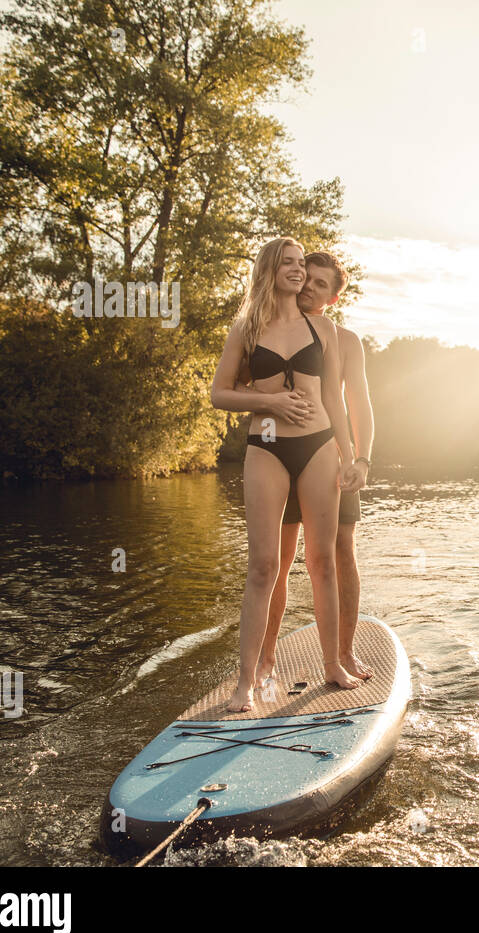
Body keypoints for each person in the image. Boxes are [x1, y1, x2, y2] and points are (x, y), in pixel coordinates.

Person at [210, 237, 359, 712]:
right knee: (263, 567)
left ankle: (333, 663)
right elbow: (220, 393)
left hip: (318, 447)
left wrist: (351, 453)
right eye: (290, 263)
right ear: (271, 269)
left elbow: (335, 399)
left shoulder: (325, 329)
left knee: (322, 561)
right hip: (267, 446)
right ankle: (245, 682)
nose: (298, 271)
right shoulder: (247, 327)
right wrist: (269, 400)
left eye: (302, 264)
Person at [241, 251, 375, 685]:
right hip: (276, 449)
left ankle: (342, 653)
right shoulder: (266, 326)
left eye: (320, 284)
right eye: (307, 279)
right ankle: (265, 660)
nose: (308, 287)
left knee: (338, 553)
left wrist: (359, 455)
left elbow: (356, 404)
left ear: (334, 298)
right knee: (274, 561)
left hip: (328, 453)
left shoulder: (343, 339)